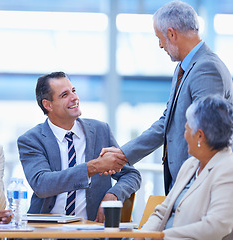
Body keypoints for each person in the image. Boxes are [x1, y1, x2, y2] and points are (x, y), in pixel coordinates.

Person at [102, 0, 233, 194]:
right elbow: (168, 122)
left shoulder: (207, 68)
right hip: (184, 184)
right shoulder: (184, 68)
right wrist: (124, 153)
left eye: (160, 37)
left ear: (171, 33)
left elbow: (206, 133)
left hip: (199, 186)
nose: (159, 45)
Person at [17, 72, 141, 222]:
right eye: (64, 95)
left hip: (90, 230)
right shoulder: (31, 140)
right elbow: (42, 184)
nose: (74, 97)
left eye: (73, 91)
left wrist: (113, 195)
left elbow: (131, 175)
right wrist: (93, 167)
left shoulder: (101, 130)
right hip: (46, 230)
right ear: (47, 105)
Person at [135, 95, 233, 240]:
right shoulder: (191, 164)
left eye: (187, 129)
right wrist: (142, 236)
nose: (185, 135)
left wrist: (162, 236)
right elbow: (162, 211)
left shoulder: (231, 172)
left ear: (200, 136)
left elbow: (215, 227)